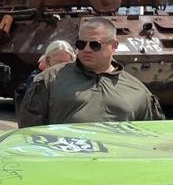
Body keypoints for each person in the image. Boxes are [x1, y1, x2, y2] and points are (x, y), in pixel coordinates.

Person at [16, 16, 164, 128]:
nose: (86, 49)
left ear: (113, 46)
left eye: (95, 45)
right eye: (81, 44)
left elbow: (151, 137)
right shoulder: (49, 80)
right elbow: (28, 130)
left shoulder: (138, 92)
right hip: (65, 164)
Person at [11, 38, 76, 110]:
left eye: (67, 62)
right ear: (48, 60)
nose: (62, 66)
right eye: (58, 62)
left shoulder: (75, 80)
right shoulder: (37, 81)